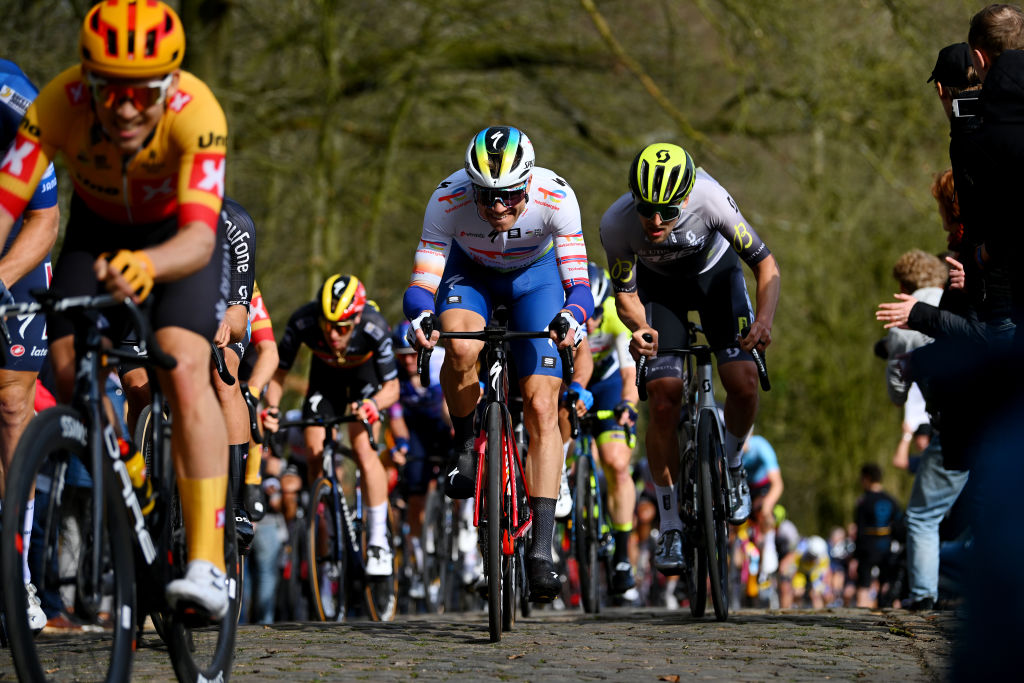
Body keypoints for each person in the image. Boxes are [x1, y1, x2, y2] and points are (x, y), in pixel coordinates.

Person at [0, 0, 232, 620]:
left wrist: (150, 267)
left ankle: (208, 563)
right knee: (71, 370)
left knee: (183, 367)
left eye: (143, 93)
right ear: (87, 81)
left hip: (178, 240)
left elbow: (203, 238)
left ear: (170, 83)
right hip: (97, 231)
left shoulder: (198, 112)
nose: (126, 108)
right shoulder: (56, 104)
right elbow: (6, 201)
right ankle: (126, 462)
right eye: (110, 91)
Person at [402, 125, 593, 602]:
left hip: (537, 279)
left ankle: (541, 551)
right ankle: (465, 443)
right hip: (471, 276)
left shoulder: (557, 197)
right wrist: (421, 315)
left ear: (528, 182)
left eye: (509, 197)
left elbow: (579, 285)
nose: (498, 209)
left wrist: (573, 315)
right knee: (461, 347)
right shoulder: (446, 199)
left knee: (542, 404)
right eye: (486, 198)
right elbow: (421, 284)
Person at [599, 142, 780, 576]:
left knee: (742, 380)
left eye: (667, 212)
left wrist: (765, 320)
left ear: (686, 198)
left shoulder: (711, 199)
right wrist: (639, 330)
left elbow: (766, 266)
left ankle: (733, 466)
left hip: (716, 282)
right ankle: (671, 525)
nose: (655, 221)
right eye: (647, 209)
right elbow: (625, 296)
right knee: (663, 397)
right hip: (659, 294)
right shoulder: (616, 224)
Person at [262, 274, 398, 577]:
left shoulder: (374, 327)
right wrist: (271, 408)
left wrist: (374, 404)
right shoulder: (303, 321)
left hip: (365, 380)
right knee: (313, 452)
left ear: (357, 318)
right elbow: (279, 373)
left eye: (342, 327)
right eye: (327, 325)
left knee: (363, 449)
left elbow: (393, 388)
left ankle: (377, 540)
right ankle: (326, 531)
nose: (333, 334)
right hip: (326, 381)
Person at [0, 58, 60, 634]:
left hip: (15, 249)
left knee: (12, 406)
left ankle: (17, 574)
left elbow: (44, 219)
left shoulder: (15, 105)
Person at [575, 263, 640, 595]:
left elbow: (630, 376)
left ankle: (622, 554)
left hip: (609, 385)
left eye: (595, 315)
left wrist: (628, 404)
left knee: (616, 462)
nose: (589, 323)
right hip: (571, 382)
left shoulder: (615, 315)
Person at [387, 320, 452, 598]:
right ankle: (418, 564)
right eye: (403, 357)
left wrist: (457, 429)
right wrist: (401, 444)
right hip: (416, 433)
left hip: (443, 424)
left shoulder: (439, 361)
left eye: (412, 354)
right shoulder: (392, 373)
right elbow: (396, 417)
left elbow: (451, 402)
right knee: (415, 498)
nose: (409, 361)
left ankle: (464, 539)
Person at [852, 464, 901, 608]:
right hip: (887, 546)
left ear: (866, 478)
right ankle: (888, 613)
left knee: (864, 585)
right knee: (886, 583)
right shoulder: (892, 500)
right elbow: (899, 525)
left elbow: (859, 529)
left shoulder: (863, 501)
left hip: (867, 546)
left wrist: (856, 555)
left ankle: (861, 616)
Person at [741, 430, 784, 583]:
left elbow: (777, 484)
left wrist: (767, 506)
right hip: (740, 486)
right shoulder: (727, 446)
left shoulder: (760, 446)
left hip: (761, 488)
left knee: (764, 508)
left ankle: (769, 545)